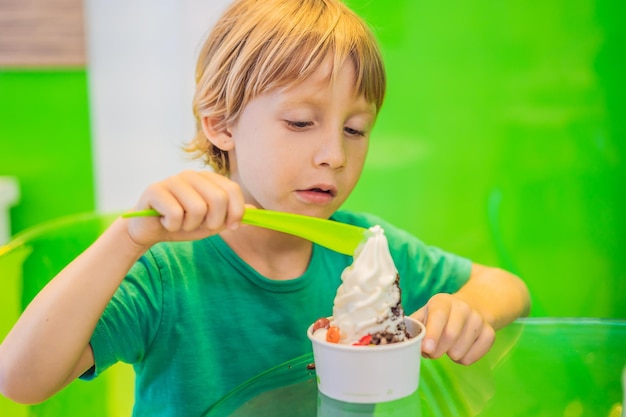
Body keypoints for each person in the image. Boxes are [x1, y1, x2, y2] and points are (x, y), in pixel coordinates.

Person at [0, 0, 530, 415]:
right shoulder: (166, 272)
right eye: (301, 122)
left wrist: (467, 310)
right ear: (221, 124)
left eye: (355, 130)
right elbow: (20, 379)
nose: (334, 155)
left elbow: (508, 288)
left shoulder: (367, 252)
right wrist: (128, 239)